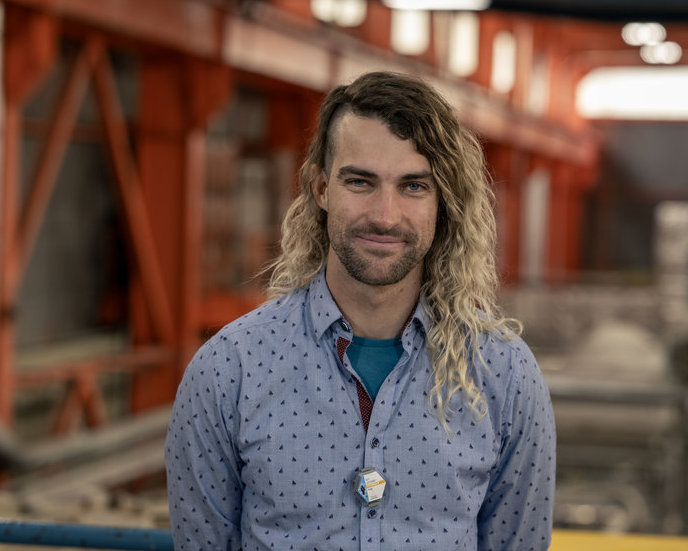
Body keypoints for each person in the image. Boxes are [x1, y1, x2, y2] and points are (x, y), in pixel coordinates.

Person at [165, 71, 555, 551]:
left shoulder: (504, 375)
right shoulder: (228, 370)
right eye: (360, 182)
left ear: (442, 203)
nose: (385, 215)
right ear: (322, 188)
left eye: (413, 186)